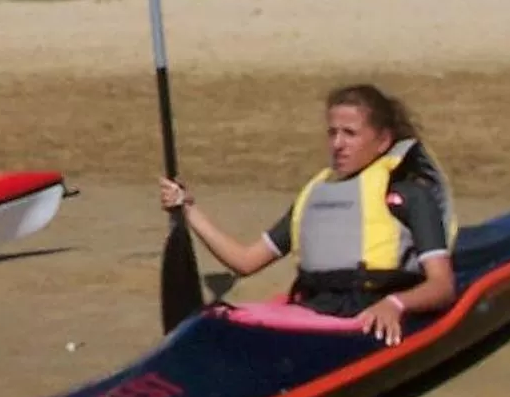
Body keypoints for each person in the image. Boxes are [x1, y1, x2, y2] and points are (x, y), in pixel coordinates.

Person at [158, 82, 456, 345]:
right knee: (218, 320)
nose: (338, 144)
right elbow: (245, 261)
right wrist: (188, 208)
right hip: (313, 314)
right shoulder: (315, 197)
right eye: (332, 133)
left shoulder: (410, 196)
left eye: (350, 134)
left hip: (368, 314)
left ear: (382, 141)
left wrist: (395, 304)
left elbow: (441, 286)